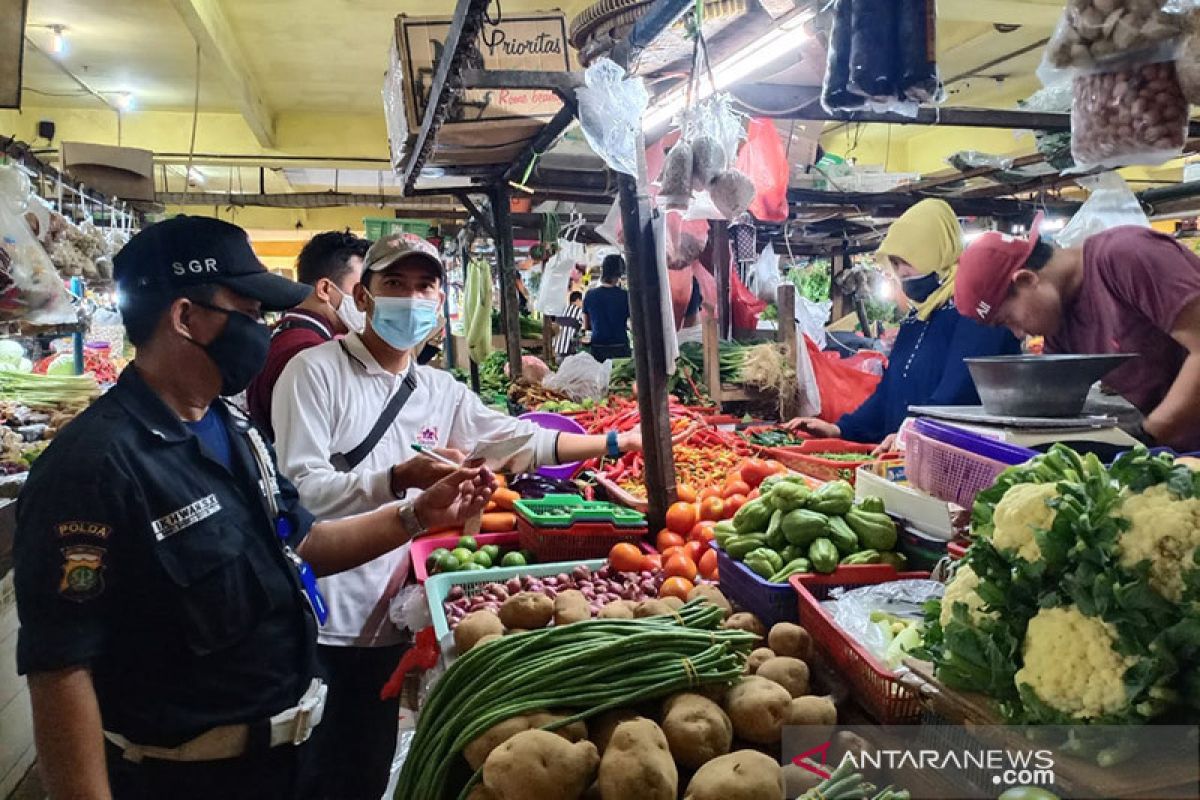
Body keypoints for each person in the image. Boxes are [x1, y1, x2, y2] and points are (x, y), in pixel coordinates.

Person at [11, 216, 493, 800]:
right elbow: (62, 672)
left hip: (288, 761)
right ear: (185, 318)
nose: (262, 330)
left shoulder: (230, 427)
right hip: (183, 779)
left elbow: (304, 544)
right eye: (247, 311)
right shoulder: (93, 467)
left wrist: (419, 515)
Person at [270, 232, 644, 799]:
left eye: (425, 286)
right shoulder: (314, 372)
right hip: (320, 613)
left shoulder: (437, 388)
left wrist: (618, 442)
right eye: (394, 284)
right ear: (363, 297)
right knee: (311, 774)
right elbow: (304, 495)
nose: (411, 298)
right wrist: (399, 478)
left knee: (366, 768)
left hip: (385, 616)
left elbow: (516, 441)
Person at [786, 199, 1021, 451]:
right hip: (903, 458)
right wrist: (841, 428)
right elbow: (889, 392)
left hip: (956, 460)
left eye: (907, 260)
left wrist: (911, 433)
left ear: (935, 250)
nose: (901, 273)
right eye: (895, 264)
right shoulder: (916, 318)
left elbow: (957, 394)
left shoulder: (975, 314)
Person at [955, 219, 1200, 451]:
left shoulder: (1124, 257)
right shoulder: (1060, 327)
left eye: (1009, 320)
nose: (1019, 333)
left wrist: (1145, 437)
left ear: (1027, 280)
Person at [247, 230, 369, 439]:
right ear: (324, 289)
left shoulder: (286, 333)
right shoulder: (306, 352)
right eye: (360, 290)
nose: (365, 300)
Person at [583, 253, 632, 361]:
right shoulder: (625, 296)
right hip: (620, 348)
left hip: (598, 348)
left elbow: (586, 326)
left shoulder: (590, 295)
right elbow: (633, 323)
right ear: (618, 274)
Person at [553, 290, 584, 360]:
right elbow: (585, 327)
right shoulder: (580, 311)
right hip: (569, 351)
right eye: (582, 301)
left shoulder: (561, 310)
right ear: (578, 300)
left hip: (555, 349)